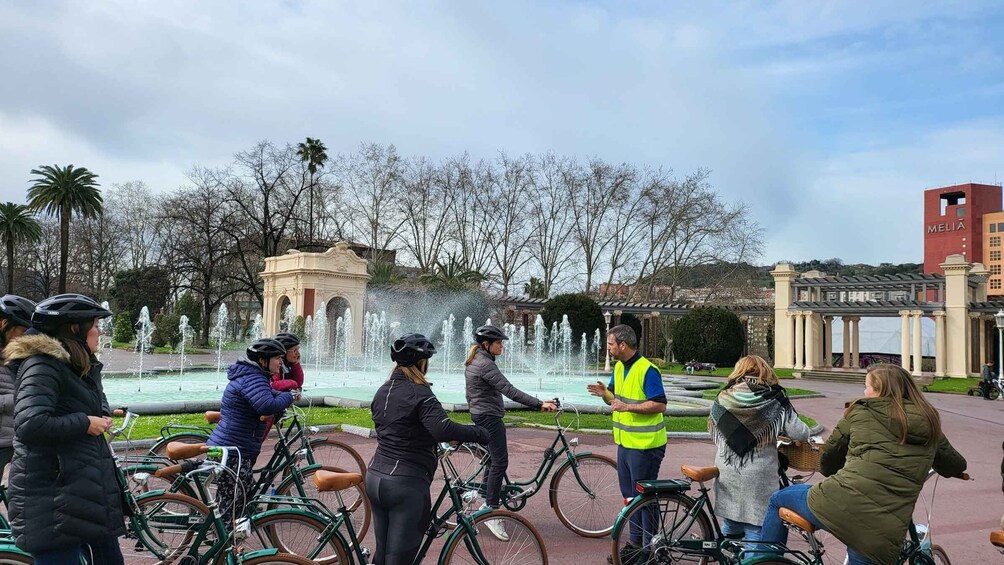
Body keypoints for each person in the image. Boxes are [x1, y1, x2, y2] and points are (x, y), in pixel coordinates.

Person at [760, 364, 968, 565]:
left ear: (879, 390)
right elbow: (955, 464)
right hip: (880, 534)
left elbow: (829, 461)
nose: (864, 391)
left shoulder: (860, 411)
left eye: (867, 386)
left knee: (778, 499)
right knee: (869, 543)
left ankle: (766, 561)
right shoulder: (930, 422)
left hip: (836, 501)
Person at [5, 294, 124, 564]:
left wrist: (101, 414)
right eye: (95, 324)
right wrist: (85, 422)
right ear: (75, 329)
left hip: (79, 495)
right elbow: (30, 424)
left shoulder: (76, 365)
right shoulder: (43, 365)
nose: (100, 331)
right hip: (52, 503)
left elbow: (85, 400)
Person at [367, 333, 490, 565]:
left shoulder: (382, 391)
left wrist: (428, 436)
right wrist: (480, 433)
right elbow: (443, 429)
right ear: (421, 362)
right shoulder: (420, 393)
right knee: (398, 561)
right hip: (406, 485)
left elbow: (397, 427)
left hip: (376, 478)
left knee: (382, 556)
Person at [464, 324, 556, 539]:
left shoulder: (478, 359)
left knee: (491, 461)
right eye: (498, 343)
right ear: (486, 344)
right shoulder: (484, 364)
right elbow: (509, 390)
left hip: (482, 414)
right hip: (488, 417)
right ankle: (491, 511)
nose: (502, 346)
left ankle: (487, 501)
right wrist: (538, 403)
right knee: (499, 462)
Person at [587, 324, 667, 565]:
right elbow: (616, 400)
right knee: (630, 498)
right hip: (626, 443)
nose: (608, 349)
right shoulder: (620, 367)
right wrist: (605, 395)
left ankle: (650, 550)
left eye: (610, 344)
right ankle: (635, 547)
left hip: (645, 446)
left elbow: (660, 404)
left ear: (623, 345)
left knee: (644, 500)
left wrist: (627, 407)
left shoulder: (647, 370)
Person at [708, 355, 810, 542]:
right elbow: (801, 433)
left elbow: (715, 432)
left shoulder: (723, 398)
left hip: (727, 470)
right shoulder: (774, 399)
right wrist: (772, 431)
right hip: (759, 475)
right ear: (765, 371)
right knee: (756, 528)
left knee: (731, 524)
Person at [207, 338, 298, 524]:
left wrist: (285, 396)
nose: (281, 362)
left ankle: (226, 540)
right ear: (263, 360)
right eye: (277, 358)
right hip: (232, 449)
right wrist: (290, 396)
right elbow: (266, 405)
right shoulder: (253, 378)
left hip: (237, 447)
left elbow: (271, 395)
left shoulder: (256, 377)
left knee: (240, 499)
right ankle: (221, 546)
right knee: (232, 504)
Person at [0, 295, 35, 480]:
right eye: (23, 330)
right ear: (4, 324)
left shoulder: (14, 356)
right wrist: (21, 399)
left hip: (16, 441)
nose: (26, 336)